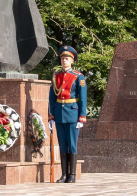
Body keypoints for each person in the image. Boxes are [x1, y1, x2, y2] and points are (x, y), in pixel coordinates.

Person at [48, 45, 87, 183]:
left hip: (72, 113)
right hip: (59, 113)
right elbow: (52, 97)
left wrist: (82, 117)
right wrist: (51, 116)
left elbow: (83, 98)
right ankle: (64, 174)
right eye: (62, 58)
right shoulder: (56, 76)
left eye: (67, 59)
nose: (64, 61)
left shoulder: (78, 76)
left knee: (72, 144)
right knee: (62, 144)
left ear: (72, 61)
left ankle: (72, 174)